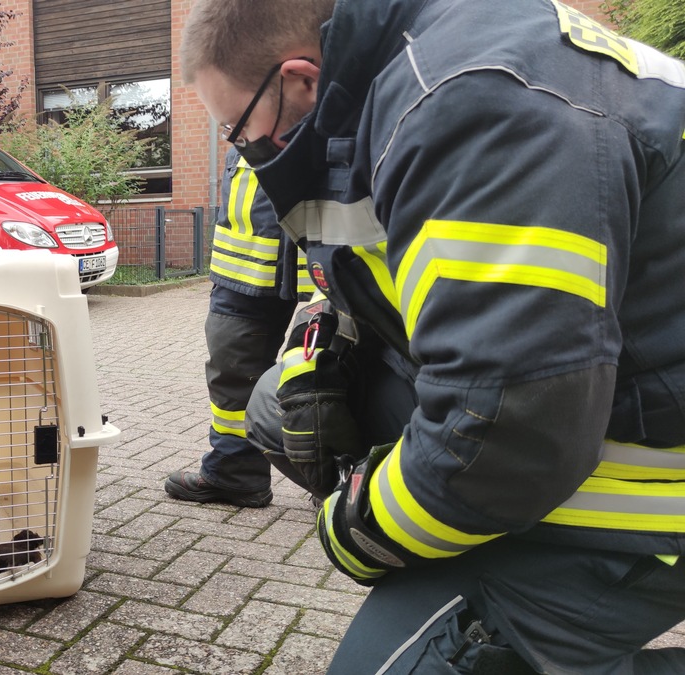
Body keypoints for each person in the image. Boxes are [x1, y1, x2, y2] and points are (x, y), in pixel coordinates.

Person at [182, 0, 685, 672]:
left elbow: (511, 428)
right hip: (608, 401)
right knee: (281, 405)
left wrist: (357, 531)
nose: (245, 151)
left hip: (640, 472)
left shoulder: (465, 105)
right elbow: (407, 285)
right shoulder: (416, 64)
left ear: (300, 80)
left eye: (240, 128)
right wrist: (327, 342)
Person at [164, 146, 311, 508]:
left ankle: (347, 482)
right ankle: (235, 472)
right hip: (246, 257)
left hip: (336, 249)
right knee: (232, 365)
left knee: (349, 362)